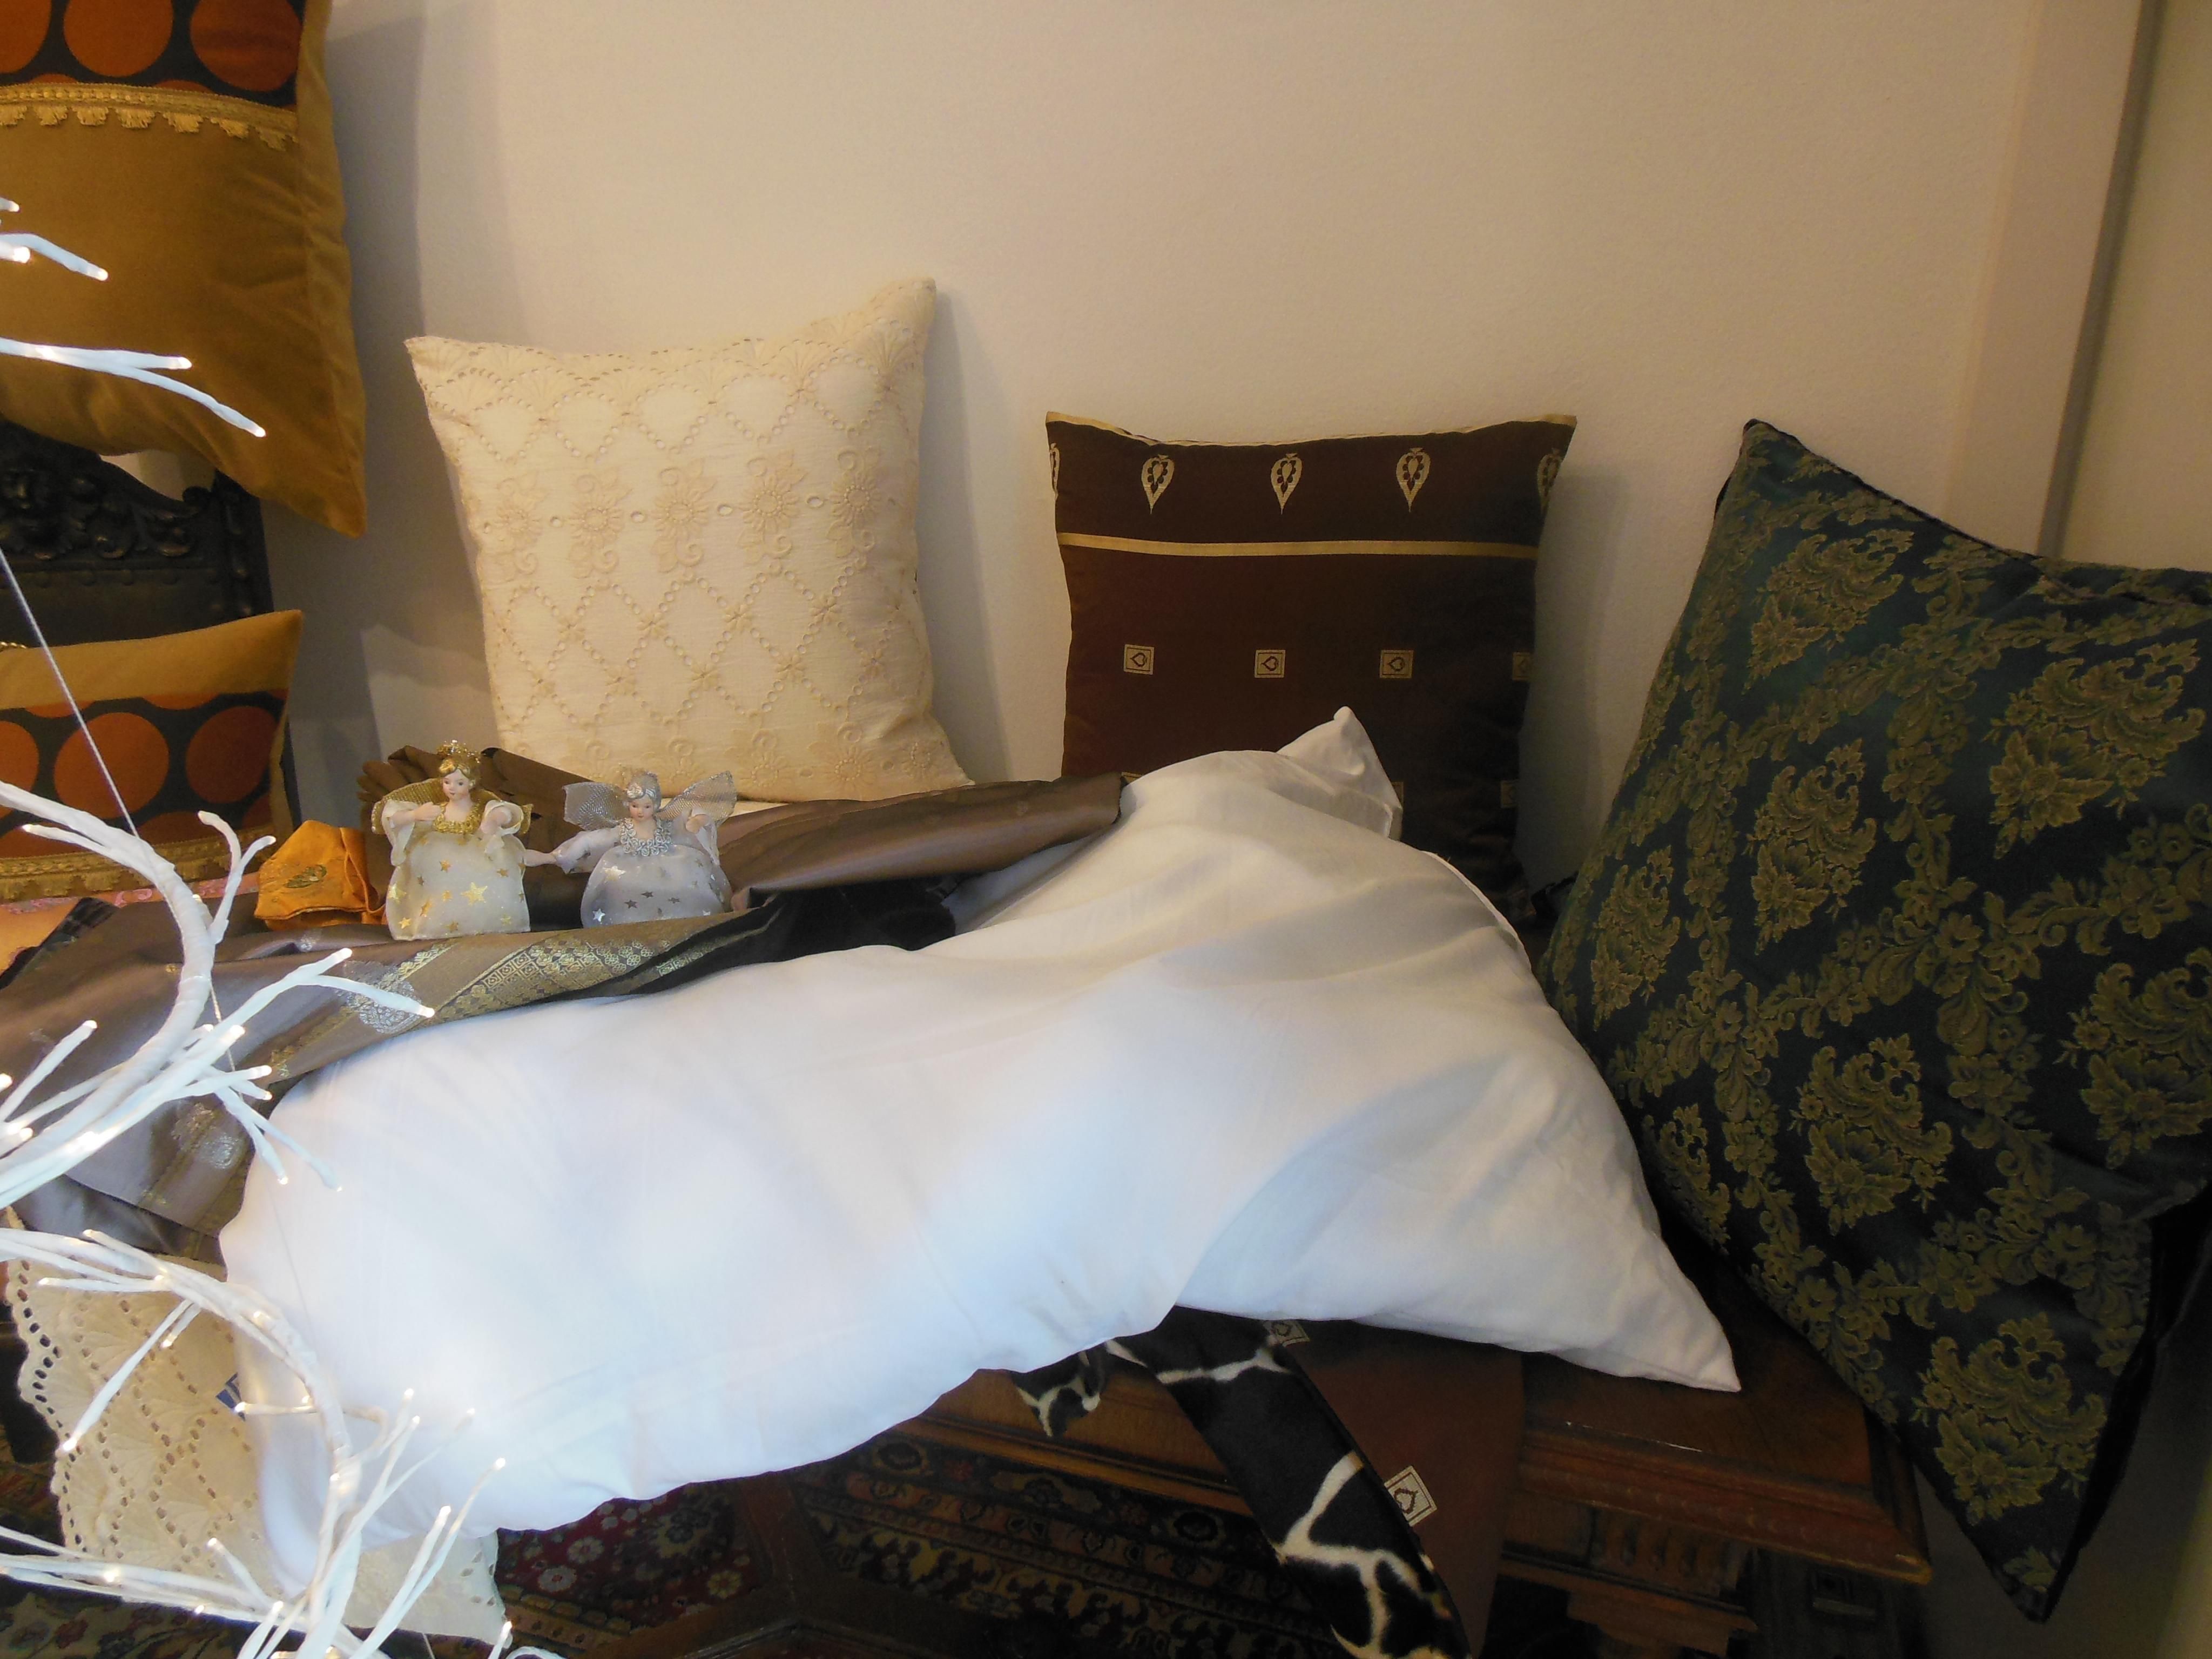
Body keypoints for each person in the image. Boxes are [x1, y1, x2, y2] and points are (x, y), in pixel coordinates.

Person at [525, 770, 736, 927]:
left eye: (647, 806)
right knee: (621, 894)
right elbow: (591, 841)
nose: (641, 812)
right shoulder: (622, 830)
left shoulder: (666, 825)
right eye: (635, 806)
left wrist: (698, 821)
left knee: (689, 885)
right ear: (628, 805)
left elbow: (695, 815)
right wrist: (555, 856)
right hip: (629, 872)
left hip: (671, 870)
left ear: (656, 805)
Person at [374, 740, 530, 939]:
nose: (452, 788)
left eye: (459, 783)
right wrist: (414, 815)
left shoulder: (482, 808)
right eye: (447, 782)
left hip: (477, 855)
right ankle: (436, 923)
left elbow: (508, 812)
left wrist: (495, 818)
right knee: (436, 874)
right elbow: (392, 818)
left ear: (471, 784)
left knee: (493, 869)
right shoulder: (436, 810)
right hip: (436, 855)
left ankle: (487, 920)